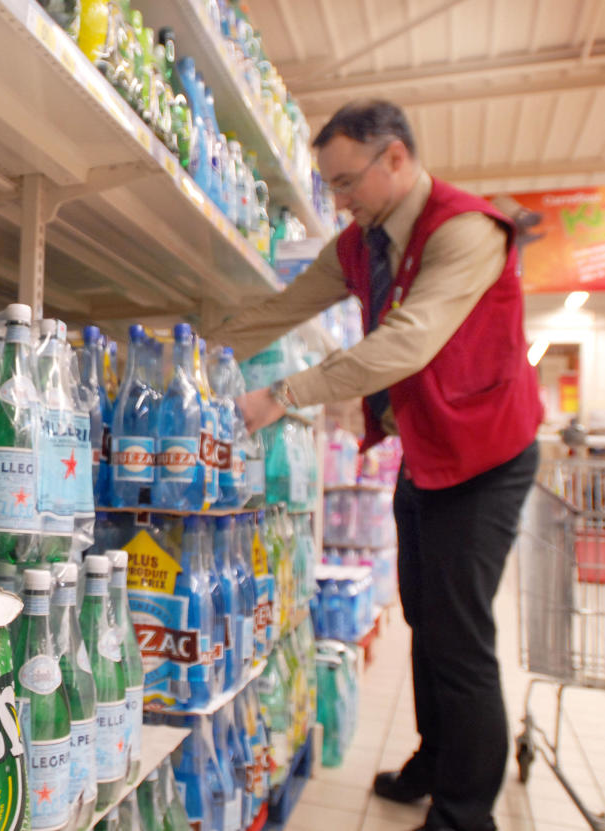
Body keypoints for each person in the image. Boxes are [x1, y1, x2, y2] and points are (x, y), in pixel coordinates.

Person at [200, 99, 542, 831]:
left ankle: (463, 812)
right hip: (425, 454)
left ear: (394, 158)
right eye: (330, 187)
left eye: (347, 181)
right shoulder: (359, 243)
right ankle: (434, 759)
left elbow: (404, 345)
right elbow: (286, 306)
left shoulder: (465, 230)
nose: (339, 200)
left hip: (486, 455)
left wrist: (283, 394)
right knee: (424, 615)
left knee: (459, 635)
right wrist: (201, 345)